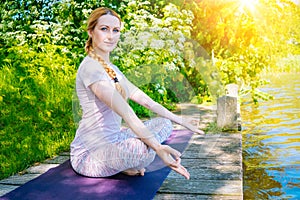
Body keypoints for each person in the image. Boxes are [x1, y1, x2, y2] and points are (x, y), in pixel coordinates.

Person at [70, 7, 204, 180]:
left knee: (164, 124)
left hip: (115, 139)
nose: (111, 36)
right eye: (104, 29)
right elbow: (127, 112)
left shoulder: (113, 70)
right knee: (143, 151)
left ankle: (123, 161)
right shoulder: (90, 68)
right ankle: (125, 161)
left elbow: (147, 101)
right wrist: (158, 148)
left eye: (115, 30)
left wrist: (181, 120)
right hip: (89, 154)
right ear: (91, 31)